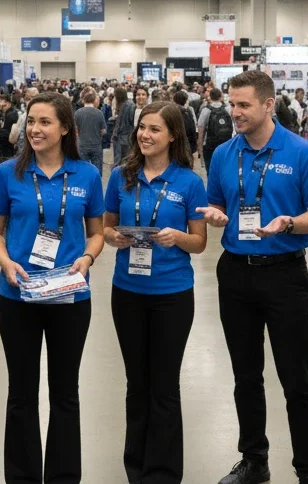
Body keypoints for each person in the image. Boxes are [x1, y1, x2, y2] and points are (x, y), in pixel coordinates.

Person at [199, 70, 308, 484]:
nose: (234, 112)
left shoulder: (301, 152)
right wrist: (217, 216)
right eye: (232, 104)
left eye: (244, 105)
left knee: (296, 376)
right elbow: (218, 204)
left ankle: (307, 469)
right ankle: (254, 459)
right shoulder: (223, 154)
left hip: (285, 274)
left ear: (269, 105)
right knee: (245, 374)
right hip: (236, 273)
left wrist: (290, 222)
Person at [0, 92, 105, 484]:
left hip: (70, 297)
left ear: (65, 128)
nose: (34, 129)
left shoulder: (86, 175)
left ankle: (63, 476)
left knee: (65, 393)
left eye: (45, 122)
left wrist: (87, 258)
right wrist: (6, 262)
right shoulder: (9, 173)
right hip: (18, 295)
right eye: (31, 121)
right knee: (21, 393)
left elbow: (97, 232)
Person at [103, 101, 208, 484]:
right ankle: (136, 468)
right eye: (142, 128)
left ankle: (162, 474)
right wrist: (114, 238)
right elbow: (107, 227)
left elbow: (199, 242)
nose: (145, 135)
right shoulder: (121, 176)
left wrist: (177, 237)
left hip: (172, 294)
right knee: (136, 384)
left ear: (173, 135)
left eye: (154, 129)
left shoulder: (189, 182)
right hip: (127, 291)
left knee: (164, 386)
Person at [198, 87, 233, 171]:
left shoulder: (206, 110)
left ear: (210, 96)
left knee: (210, 168)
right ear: (220, 96)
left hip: (209, 145)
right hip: (226, 143)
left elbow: (201, 129)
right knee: (224, 167)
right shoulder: (227, 109)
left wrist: (200, 147)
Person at [75, 88, 108, 173]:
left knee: (82, 170)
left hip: (82, 145)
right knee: (97, 171)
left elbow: (75, 130)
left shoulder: (78, 113)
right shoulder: (99, 113)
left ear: (82, 99)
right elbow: (103, 131)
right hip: (96, 145)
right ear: (94, 99)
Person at [172, 90, 199, 167]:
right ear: (185, 100)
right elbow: (193, 128)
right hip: (187, 145)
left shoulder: (172, 112)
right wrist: (194, 146)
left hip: (175, 145)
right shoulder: (188, 111)